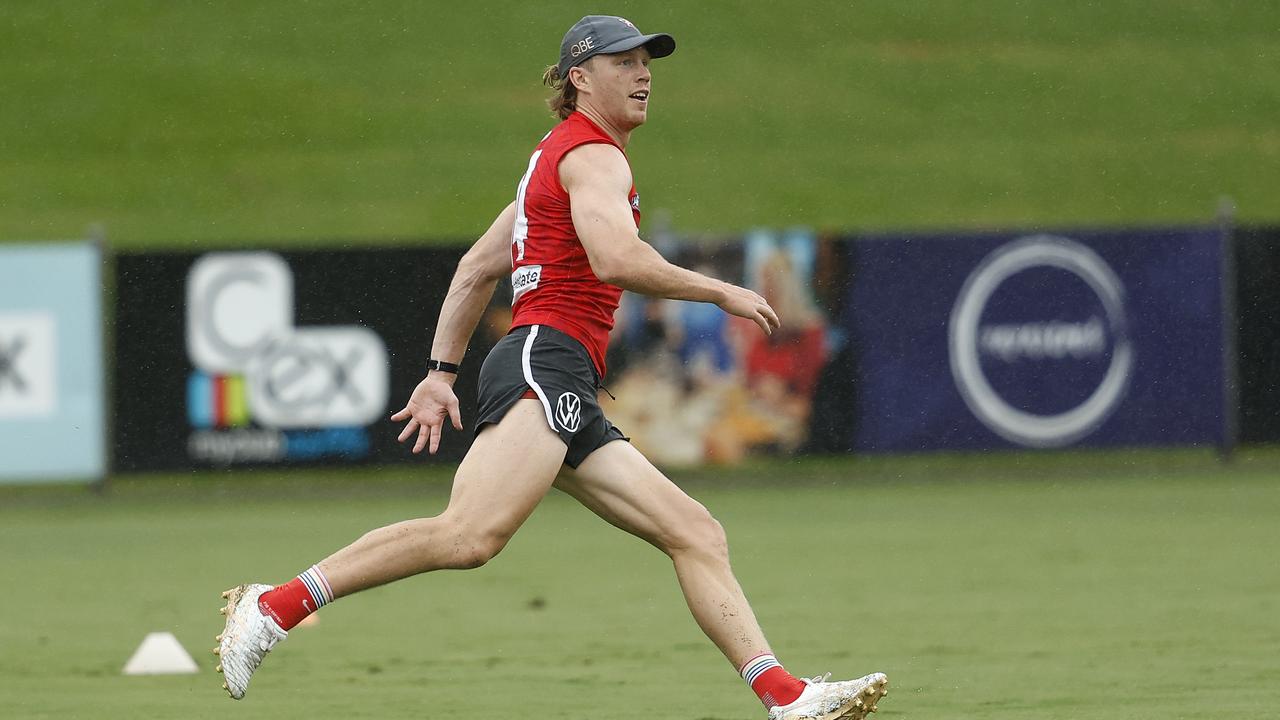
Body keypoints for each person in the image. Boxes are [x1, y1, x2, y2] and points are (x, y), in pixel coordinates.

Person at [215, 15, 888, 720]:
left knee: (694, 531)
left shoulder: (552, 159)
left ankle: (784, 697)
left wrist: (441, 374)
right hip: (547, 358)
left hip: (555, 369)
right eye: (624, 61)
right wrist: (718, 289)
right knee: (469, 535)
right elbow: (615, 260)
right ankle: (272, 607)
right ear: (579, 77)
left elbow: (477, 268)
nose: (643, 72)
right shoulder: (595, 157)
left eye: (647, 60)